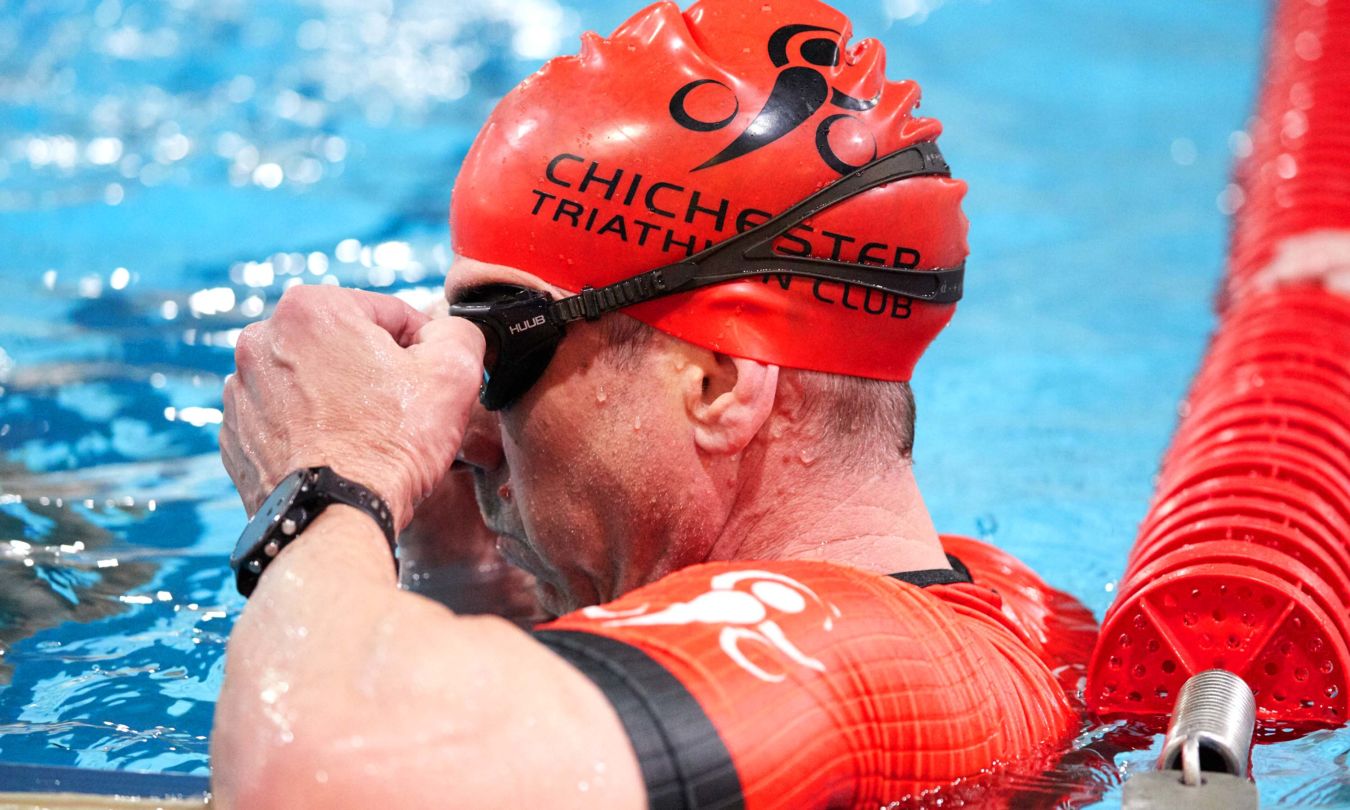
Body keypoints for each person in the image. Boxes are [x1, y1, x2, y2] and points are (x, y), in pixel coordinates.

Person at [211, 1, 1095, 807]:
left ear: (715, 381)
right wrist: (457, 560)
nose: (475, 425)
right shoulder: (1005, 597)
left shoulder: (827, 654)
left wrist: (333, 476)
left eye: (507, 348)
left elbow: (312, 779)